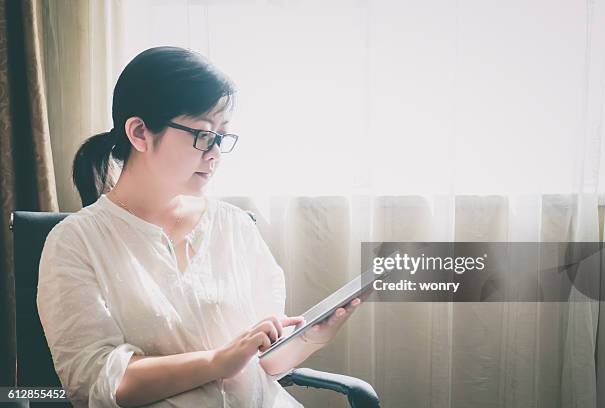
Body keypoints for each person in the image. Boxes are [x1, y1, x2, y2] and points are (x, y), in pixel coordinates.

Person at [36, 46, 362, 408]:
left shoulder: (235, 227)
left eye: (222, 137)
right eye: (204, 135)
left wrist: (310, 338)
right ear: (140, 132)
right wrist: (217, 361)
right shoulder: (75, 243)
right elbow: (99, 381)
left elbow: (265, 364)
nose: (215, 153)